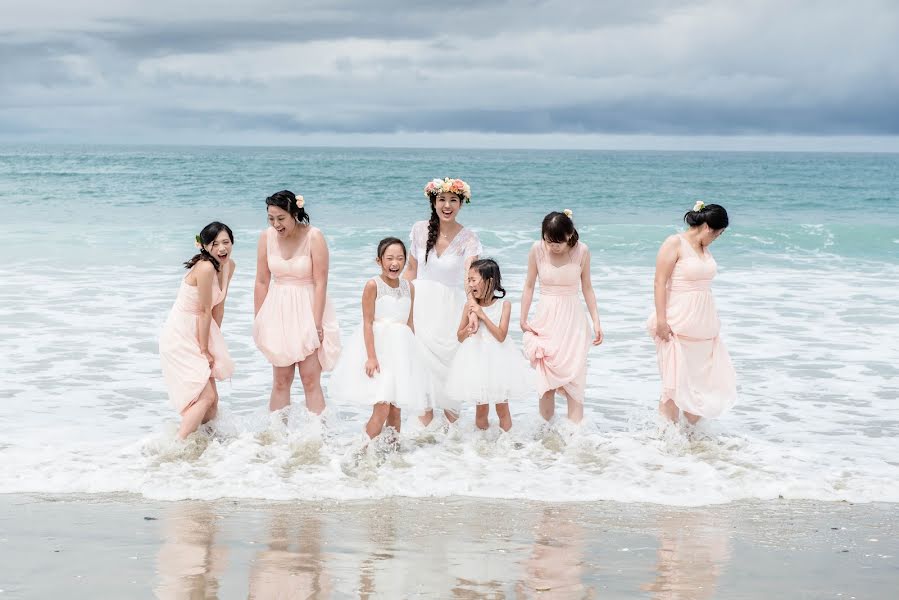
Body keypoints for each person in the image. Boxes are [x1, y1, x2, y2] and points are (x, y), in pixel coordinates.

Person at [329, 237, 431, 439]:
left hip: (400, 353)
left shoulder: (409, 287)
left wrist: (412, 357)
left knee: (395, 409)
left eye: (400, 258)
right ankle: (362, 451)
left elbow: (410, 323)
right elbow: (367, 323)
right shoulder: (372, 285)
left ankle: (392, 453)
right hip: (380, 353)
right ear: (379, 261)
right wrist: (371, 357)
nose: (395, 263)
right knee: (382, 407)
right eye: (390, 258)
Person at [647, 201, 737, 424]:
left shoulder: (704, 248)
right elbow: (659, 282)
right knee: (673, 383)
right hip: (677, 323)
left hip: (703, 327)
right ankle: (666, 438)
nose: (717, 238)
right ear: (708, 228)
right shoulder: (675, 243)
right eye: (718, 233)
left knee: (700, 385)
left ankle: (692, 442)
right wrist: (661, 320)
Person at [253, 190, 340, 414]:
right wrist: (259, 319)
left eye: (281, 218)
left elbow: (321, 283)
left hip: (308, 309)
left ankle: (318, 438)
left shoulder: (314, 236)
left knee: (310, 379)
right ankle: (278, 438)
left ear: (295, 213)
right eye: (271, 219)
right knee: (281, 380)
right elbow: (262, 281)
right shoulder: (266, 237)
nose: (276, 224)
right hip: (278, 311)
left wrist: (317, 323)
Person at [404, 177, 481, 426]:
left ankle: (453, 444)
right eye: (442, 200)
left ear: (461, 203)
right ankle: (424, 438)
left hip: (450, 310)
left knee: (449, 372)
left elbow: (472, 280)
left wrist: (472, 311)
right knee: (420, 370)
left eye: (453, 200)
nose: (447, 206)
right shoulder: (419, 229)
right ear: (433, 202)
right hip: (420, 305)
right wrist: (399, 303)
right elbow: (410, 270)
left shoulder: (469, 238)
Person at [521, 210, 603, 424]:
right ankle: (546, 434)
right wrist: (523, 318)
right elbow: (529, 286)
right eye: (549, 241)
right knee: (546, 381)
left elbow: (587, 288)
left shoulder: (582, 251)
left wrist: (596, 321)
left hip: (572, 321)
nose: (553, 246)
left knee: (574, 379)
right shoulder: (537, 249)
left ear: (570, 235)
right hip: (545, 320)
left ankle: (575, 439)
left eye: (558, 242)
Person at [159, 222, 235, 439]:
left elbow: (218, 307)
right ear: (204, 247)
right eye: (215, 243)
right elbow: (204, 310)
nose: (222, 248)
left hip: (200, 330)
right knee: (205, 397)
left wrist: (213, 342)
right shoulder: (205, 268)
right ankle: (176, 445)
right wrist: (204, 350)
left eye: (226, 242)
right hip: (181, 334)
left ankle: (207, 445)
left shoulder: (229, 266)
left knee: (213, 402)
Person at [446, 259, 531, 431]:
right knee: (481, 409)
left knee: (502, 407)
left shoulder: (504, 305)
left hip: (499, 362)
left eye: (473, 280)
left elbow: (501, 336)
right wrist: (469, 328)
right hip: (477, 361)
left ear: (490, 281)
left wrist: (482, 315)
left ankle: (507, 443)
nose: (470, 285)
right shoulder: (468, 307)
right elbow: (460, 337)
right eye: (468, 280)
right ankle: (484, 448)